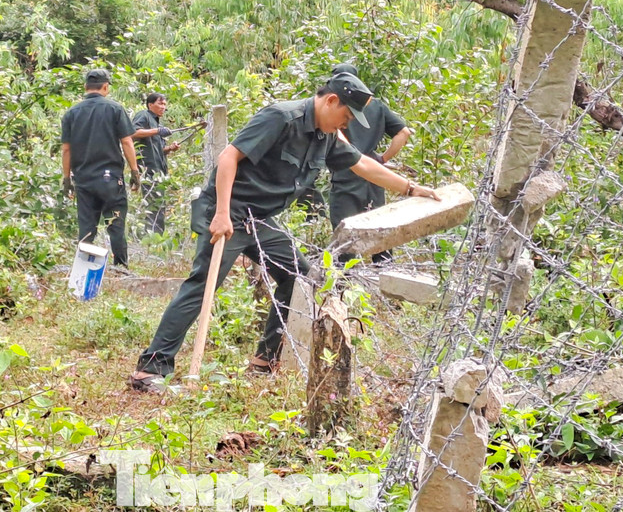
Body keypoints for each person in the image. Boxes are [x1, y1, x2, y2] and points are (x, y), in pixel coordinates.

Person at [128, 72, 439, 392]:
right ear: (331, 101)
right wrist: (221, 213)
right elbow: (228, 157)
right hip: (229, 211)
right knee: (203, 284)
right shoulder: (281, 117)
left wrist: (411, 188)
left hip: (261, 220)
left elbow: (362, 165)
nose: (346, 124)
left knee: (299, 278)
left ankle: (266, 359)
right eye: (346, 116)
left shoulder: (326, 136)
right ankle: (150, 368)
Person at [326, 62, 413, 264]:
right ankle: (385, 280)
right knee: (380, 234)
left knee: (343, 242)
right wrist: (382, 160)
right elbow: (404, 132)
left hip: (345, 174)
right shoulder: (374, 105)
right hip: (375, 177)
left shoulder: (336, 106)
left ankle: (342, 287)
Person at [60, 68, 141, 269]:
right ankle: (121, 268)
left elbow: (66, 149)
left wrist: (67, 178)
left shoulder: (71, 113)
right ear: (105, 87)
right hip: (110, 178)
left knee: (87, 227)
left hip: (84, 179)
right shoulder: (115, 109)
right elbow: (127, 142)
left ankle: (82, 269)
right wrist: (135, 171)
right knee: (115, 224)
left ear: (85, 88)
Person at [132, 93, 180, 234]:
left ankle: (156, 239)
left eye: (165, 104)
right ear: (150, 104)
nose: (163, 107)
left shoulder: (158, 124)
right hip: (148, 170)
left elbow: (158, 151)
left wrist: (170, 148)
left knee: (159, 206)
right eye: (160, 104)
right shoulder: (144, 116)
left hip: (160, 172)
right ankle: (150, 239)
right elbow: (133, 132)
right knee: (152, 206)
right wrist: (157, 131)